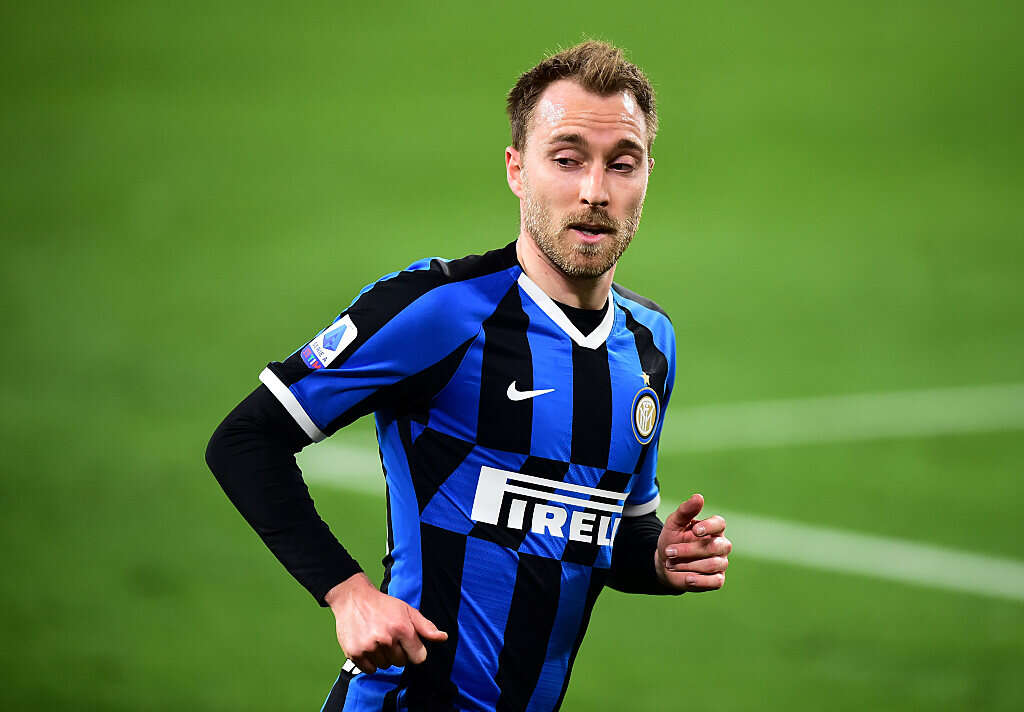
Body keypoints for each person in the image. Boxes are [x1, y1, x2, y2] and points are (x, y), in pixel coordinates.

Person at [206, 40, 732, 712]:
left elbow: (603, 532)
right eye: (567, 158)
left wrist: (656, 558)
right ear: (517, 169)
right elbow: (246, 439)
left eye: (621, 163)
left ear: (648, 174)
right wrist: (349, 594)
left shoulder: (650, 344)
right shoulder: (440, 312)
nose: (595, 191)